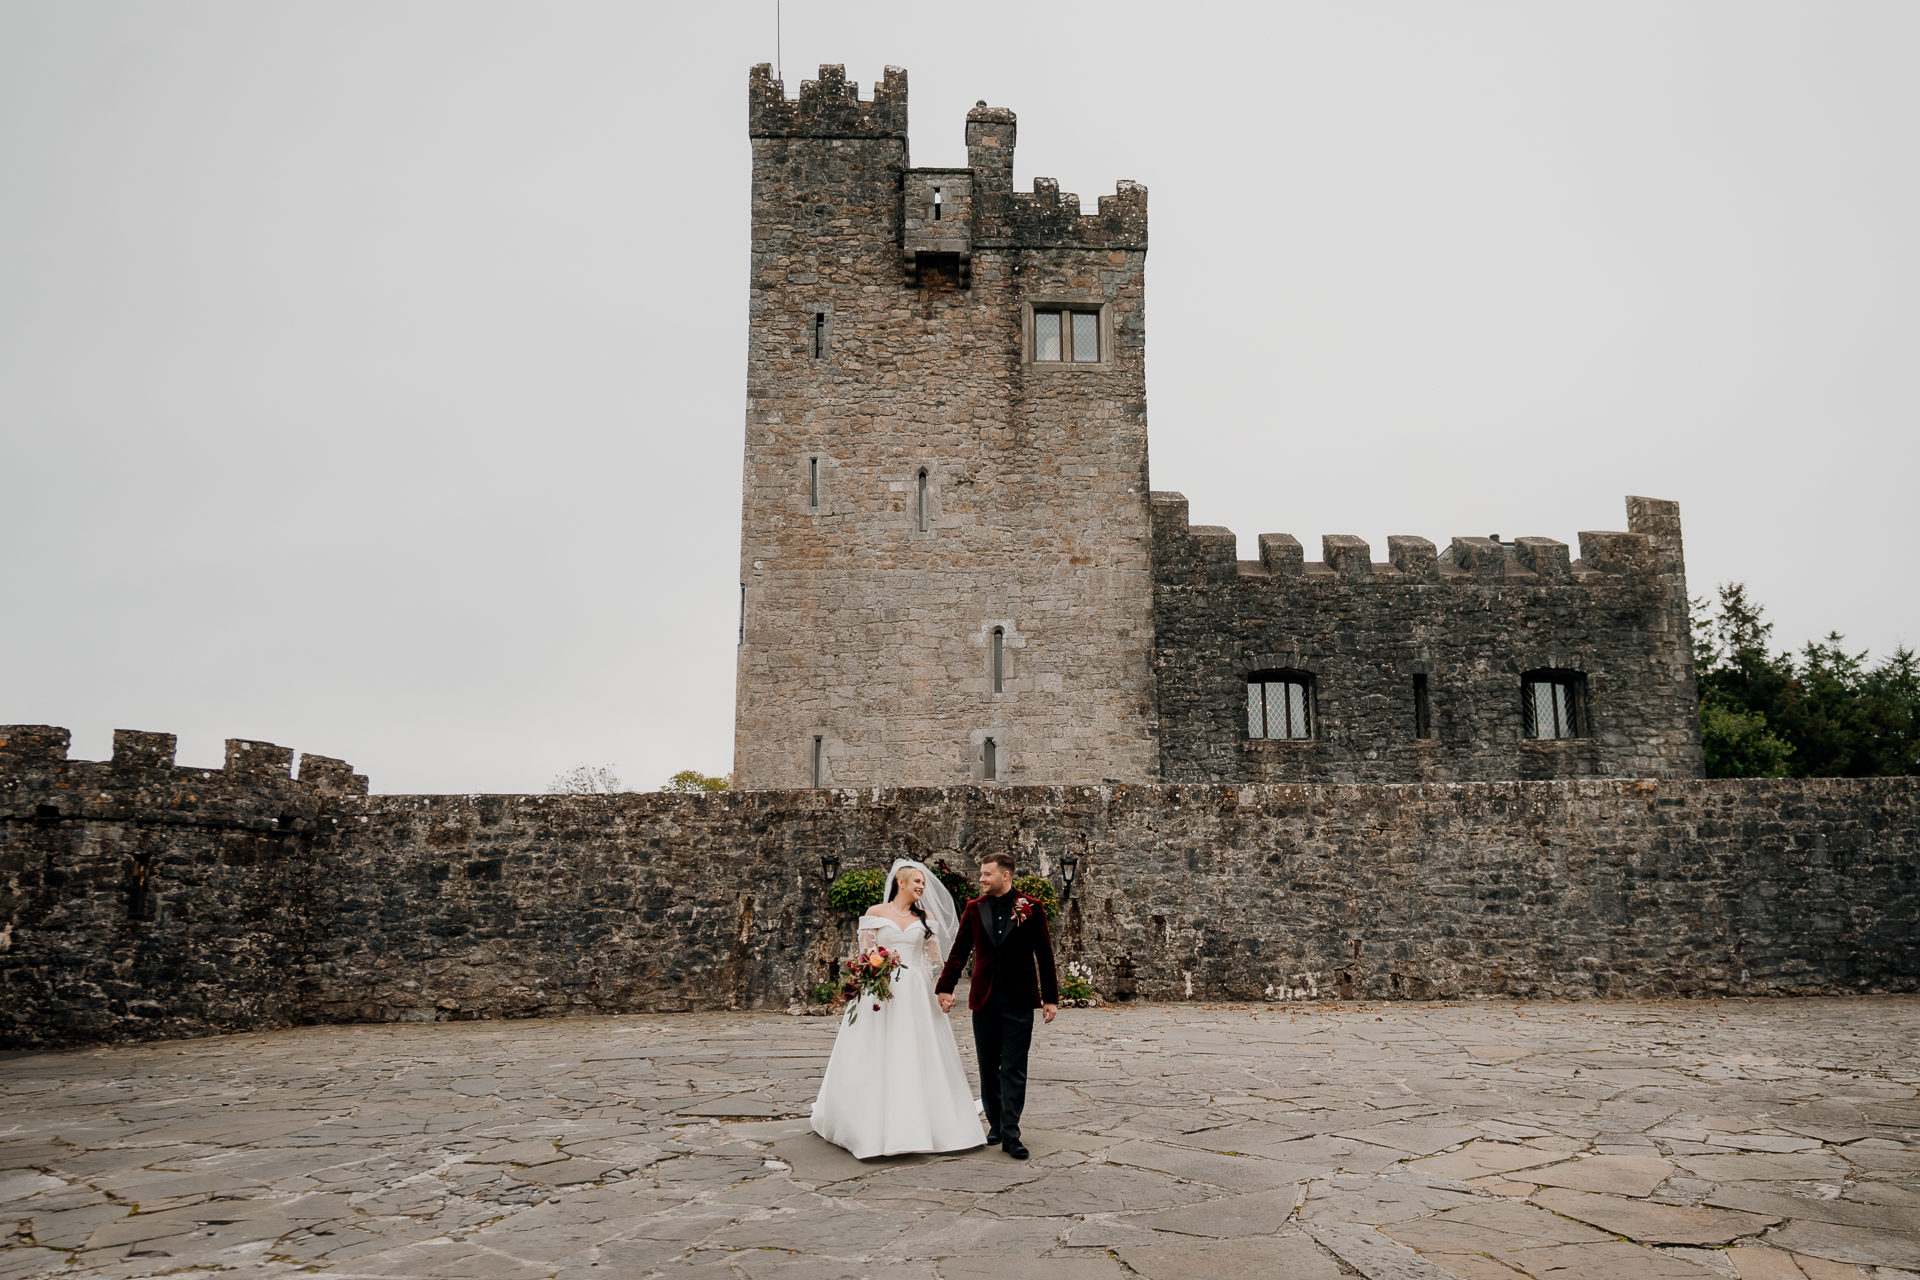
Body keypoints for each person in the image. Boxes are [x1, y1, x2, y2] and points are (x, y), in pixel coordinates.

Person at [810, 859, 985, 1159]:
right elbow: (865, 954)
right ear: (900, 882)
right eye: (917, 882)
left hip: (917, 991)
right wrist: (872, 970)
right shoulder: (875, 914)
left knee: (917, 1050)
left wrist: (942, 990)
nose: (921, 887)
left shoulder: (925, 917)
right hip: (881, 990)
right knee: (877, 1049)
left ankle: (926, 1121)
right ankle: (867, 1122)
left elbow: (933, 960)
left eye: (923, 884)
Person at [936, 850, 1059, 1160]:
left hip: (1019, 998)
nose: (981, 878)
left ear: (1006, 875)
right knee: (988, 1066)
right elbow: (959, 950)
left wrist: (1051, 998)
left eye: (987, 874)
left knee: (1014, 1067)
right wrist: (945, 986)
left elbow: (1044, 954)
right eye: (981, 874)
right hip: (984, 997)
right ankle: (994, 1124)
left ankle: (1011, 1131)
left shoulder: (1032, 907)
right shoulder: (974, 909)